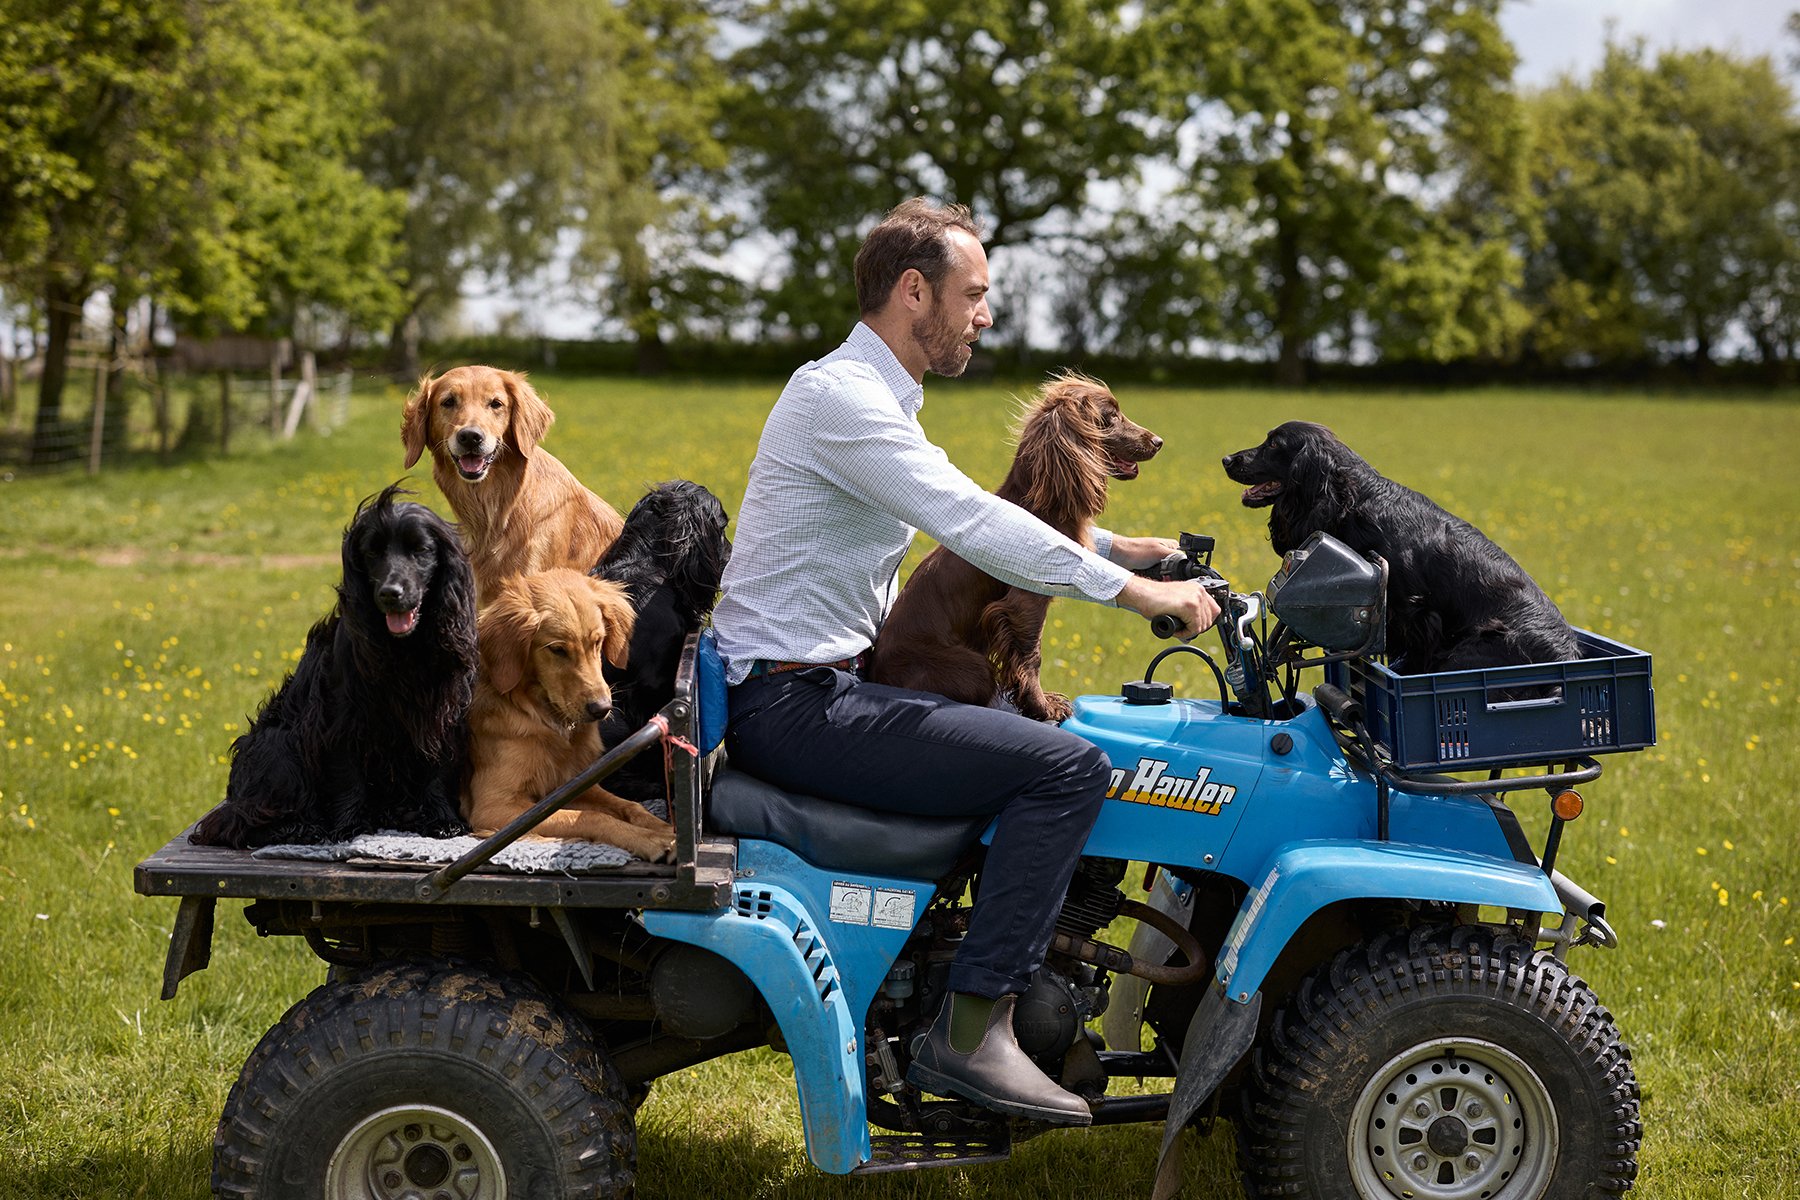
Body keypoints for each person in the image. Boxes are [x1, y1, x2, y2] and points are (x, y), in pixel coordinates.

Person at [712, 197, 1219, 1125]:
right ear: (916, 293)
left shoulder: (875, 399)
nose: (985, 316)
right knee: (1067, 769)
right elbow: (974, 522)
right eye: (973, 295)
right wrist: (1144, 598)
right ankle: (975, 1027)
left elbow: (976, 525)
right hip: (792, 703)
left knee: (1047, 739)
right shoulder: (844, 402)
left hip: (818, 687)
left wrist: (1123, 552)